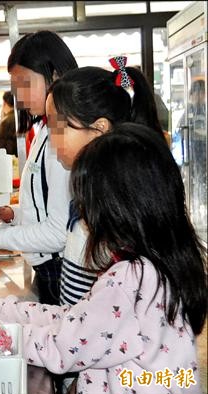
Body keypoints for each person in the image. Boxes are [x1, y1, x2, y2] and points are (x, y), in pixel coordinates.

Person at [0, 124, 207, 394]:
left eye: (84, 200)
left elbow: (61, 347)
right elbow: (76, 319)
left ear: (113, 206)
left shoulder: (128, 278)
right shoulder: (160, 261)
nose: (82, 211)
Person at [0, 30, 77, 306]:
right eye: (16, 86)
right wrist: (13, 214)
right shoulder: (46, 130)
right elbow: (49, 206)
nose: (20, 96)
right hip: (48, 269)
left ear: (55, 75)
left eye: (25, 83)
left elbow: (58, 232)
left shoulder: (63, 135)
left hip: (60, 271)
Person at [47, 59, 166, 307]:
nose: (51, 140)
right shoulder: (92, 192)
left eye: (58, 126)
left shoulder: (118, 208)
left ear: (99, 128)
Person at [0, 91, 17, 155]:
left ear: (4, 103)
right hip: (17, 155)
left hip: (8, 156)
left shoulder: (6, 121)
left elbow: (0, 144)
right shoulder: (19, 117)